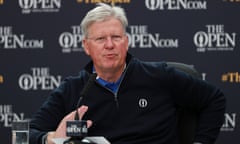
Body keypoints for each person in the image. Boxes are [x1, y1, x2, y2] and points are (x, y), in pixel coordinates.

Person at [29, 3, 226, 144]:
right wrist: (50, 139)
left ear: (126, 41)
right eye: (100, 39)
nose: (109, 45)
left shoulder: (159, 76)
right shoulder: (74, 89)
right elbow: (28, 134)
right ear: (86, 46)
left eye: (116, 37)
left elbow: (214, 98)